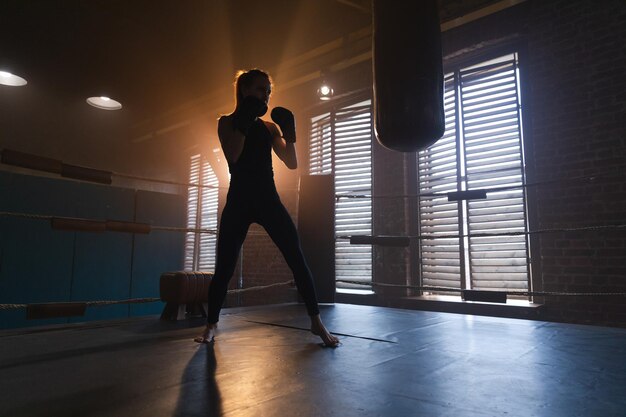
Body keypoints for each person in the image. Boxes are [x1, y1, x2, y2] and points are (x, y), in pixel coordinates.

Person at [194, 69, 339, 347]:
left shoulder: (270, 128)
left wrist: (291, 133)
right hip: (238, 200)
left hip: (267, 199)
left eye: (269, 91)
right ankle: (211, 325)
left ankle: (316, 322)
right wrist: (246, 119)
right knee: (224, 267)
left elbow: (291, 162)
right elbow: (234, 155)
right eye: (261, 90)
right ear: (244, 89)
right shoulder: (226, 123)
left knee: (296, 256)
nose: (266, 96)